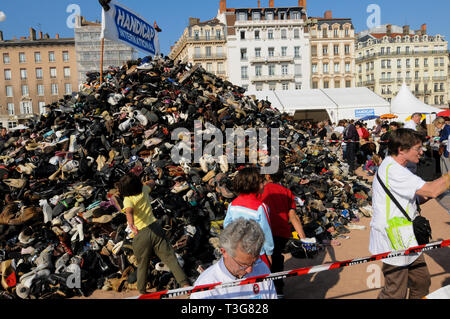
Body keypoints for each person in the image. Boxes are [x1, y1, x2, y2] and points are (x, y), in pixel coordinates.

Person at [369, 128, 450, 299]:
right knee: (395, 292)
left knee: (421, 282)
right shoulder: (394, 170)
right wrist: (437, 187)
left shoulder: (400, 168)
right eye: (417, 148)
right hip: (392, 238)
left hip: (407, 236)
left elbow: (417, 198)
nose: (422, 152)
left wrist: (430, 193)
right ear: (401, 150)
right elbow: (431, 190)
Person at [116, 173, 190, 294]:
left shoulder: (127, 199)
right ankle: (185, 285)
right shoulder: (144, 190)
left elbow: (129, 211)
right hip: (156, 229)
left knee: (143, 264)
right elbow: (152, 183)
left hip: (141, 234)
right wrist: (150, 180)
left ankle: (142, 290)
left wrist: (131, 224)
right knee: (170, 258)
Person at [257, 168, 315, 298]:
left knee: (263, 261)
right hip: (281, 233)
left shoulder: (259, 190)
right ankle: (278, 290)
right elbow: (293, 216)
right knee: (277, 259)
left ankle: (264, 291)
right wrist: (304, 239)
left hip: (264, 232)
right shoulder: (287, 192)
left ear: (267, 175)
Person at [190, 218, 278, 299]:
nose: (250, 270)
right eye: (243, 265)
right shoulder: (205, 287)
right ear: (224, 252)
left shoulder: (261, 268)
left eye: (254, 262)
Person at [224, 167, 274, 268]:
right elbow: (266, 232)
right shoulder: (260, 207)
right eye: (261, 182)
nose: (263, 184)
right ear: (253, 185)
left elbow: (227, 226)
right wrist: (269, 253)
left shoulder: (232, 204)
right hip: (258, 254)